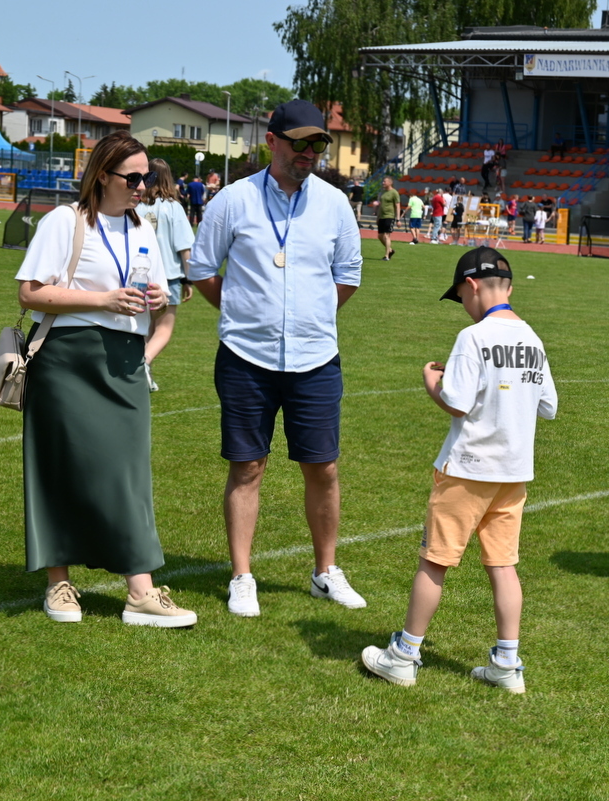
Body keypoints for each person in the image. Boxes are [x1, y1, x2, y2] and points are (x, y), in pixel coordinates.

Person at [189, 99, 365, 617]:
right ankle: (242, 576)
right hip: (246, 356)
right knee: (247, 466)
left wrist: (307, 318)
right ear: (271, 141)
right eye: (300, 143)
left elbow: (348, 275)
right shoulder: (233, 201)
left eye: (318, 145)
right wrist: (244, 311)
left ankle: (325, 572)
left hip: (315, 357)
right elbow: (202, 268)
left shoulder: (334, 204)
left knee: (324, 468)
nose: (310, 153)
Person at [15, 131, 196, 627]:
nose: (143, 186)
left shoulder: (144, 229)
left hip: (124, 362)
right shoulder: (63, 222)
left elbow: (157, 298)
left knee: (129, 474)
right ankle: (59, 586)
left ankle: (140, 592)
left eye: (147, 178)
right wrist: (104, 299)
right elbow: (30, 294)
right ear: (102, 175)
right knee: (58, 470)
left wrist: (155, 308)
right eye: (133, 177)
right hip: (66, 360)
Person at [361, 246, 557, 692]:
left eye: (461, 298)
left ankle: (405, 655)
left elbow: (457, 401)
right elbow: (548, 405)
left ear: (472, 287)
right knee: (503, 566)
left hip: (467, 469)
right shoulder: (532, 337)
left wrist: (434, 382)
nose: (465, 308)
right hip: (512, 474)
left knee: (435, 560)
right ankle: (507, 664)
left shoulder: (474, 337)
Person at [135, 157, 195, 392]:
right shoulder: (173, 208)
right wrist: (189, 278)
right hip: (168, 278)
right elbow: (185, 248)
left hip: (139, 276)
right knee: (163, 329)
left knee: (143, 328)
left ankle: (140, 369)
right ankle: (143, 365)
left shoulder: (136, 204)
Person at [376, 176, 401, 260]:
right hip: (382, 216)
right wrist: (378, 217)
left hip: (389, 216)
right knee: (380, 236)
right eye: (383, 181)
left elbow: (397, 206)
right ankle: (390, 250)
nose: (383, 183)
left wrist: (398, 219)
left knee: (387, 235)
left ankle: (386, 256)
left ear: (390, 183)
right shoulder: (382, 192)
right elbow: (380, 206)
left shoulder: (394, 192)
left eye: (385, 181)